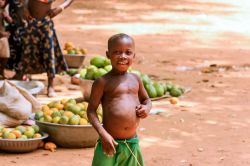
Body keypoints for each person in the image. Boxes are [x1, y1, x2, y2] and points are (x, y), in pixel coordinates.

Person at [87, 33, 152, 166]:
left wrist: (147, 108)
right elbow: (91, 111)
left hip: (131, 144)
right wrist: (103, 134)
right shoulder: (102, 82)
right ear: (108, 54)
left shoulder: (136, 79)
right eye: (117, 52)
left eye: (128, 52)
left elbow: (147, 100)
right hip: (109, 142)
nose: (123, 56)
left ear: (134, 55)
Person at [7, 0, 74, 97]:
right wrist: (25, 8)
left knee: (48, 53)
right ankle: (20, 77)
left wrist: (61, 8)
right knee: (27, 50)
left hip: (45, 22)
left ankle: (50, 84)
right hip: (30, 21)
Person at [0, 0, 12, 79]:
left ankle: (1, 70)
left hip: (3, 37)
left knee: (5, 56)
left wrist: (6, 16)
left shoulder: (2, 11)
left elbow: (10, 21)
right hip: (1, 35)